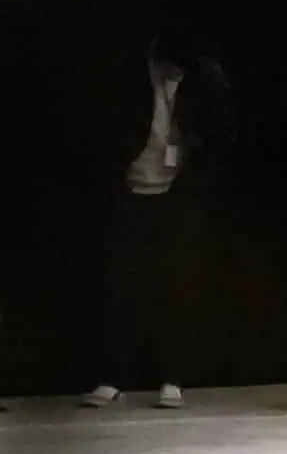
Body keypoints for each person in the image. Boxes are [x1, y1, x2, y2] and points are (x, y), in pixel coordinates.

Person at [83, 33, 229, 411]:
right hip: (130, 191)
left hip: (178, 195)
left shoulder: (202, 79)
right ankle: (113, 378)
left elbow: (216, 134)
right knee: (120, 286)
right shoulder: (128, 78)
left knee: (177, 286)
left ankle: (173, 378)